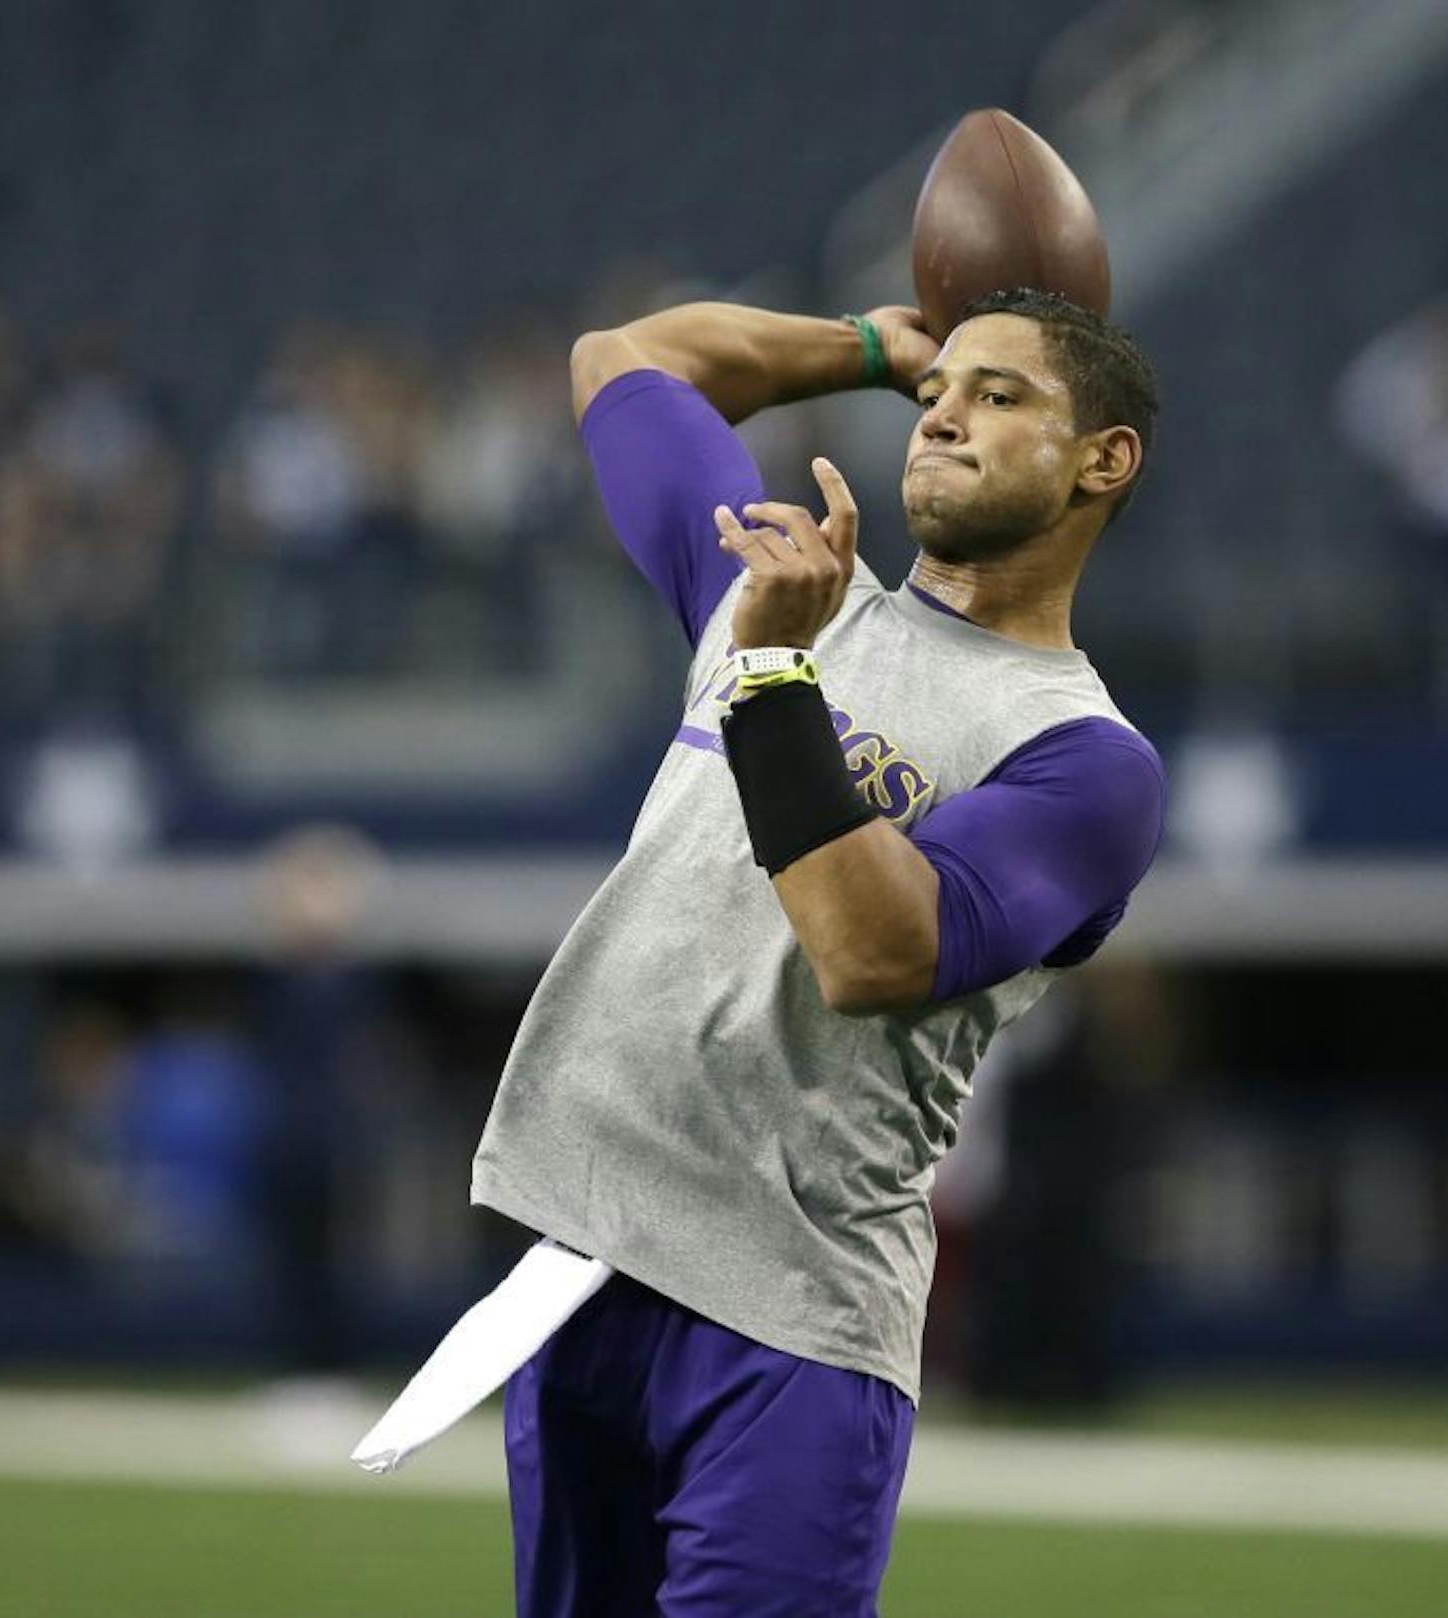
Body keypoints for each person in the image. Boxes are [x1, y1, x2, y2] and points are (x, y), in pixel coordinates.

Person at [464, 287, 1166, 1613]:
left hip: (790, 1323)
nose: (946, 413)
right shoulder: (781, 593)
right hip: (590, 1264)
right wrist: (863, 349)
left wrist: (776, 677)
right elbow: (625, 362)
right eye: (940, 393)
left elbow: (876, 950)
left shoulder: (1086, 757)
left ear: (1103, 458)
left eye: (1000, 395)